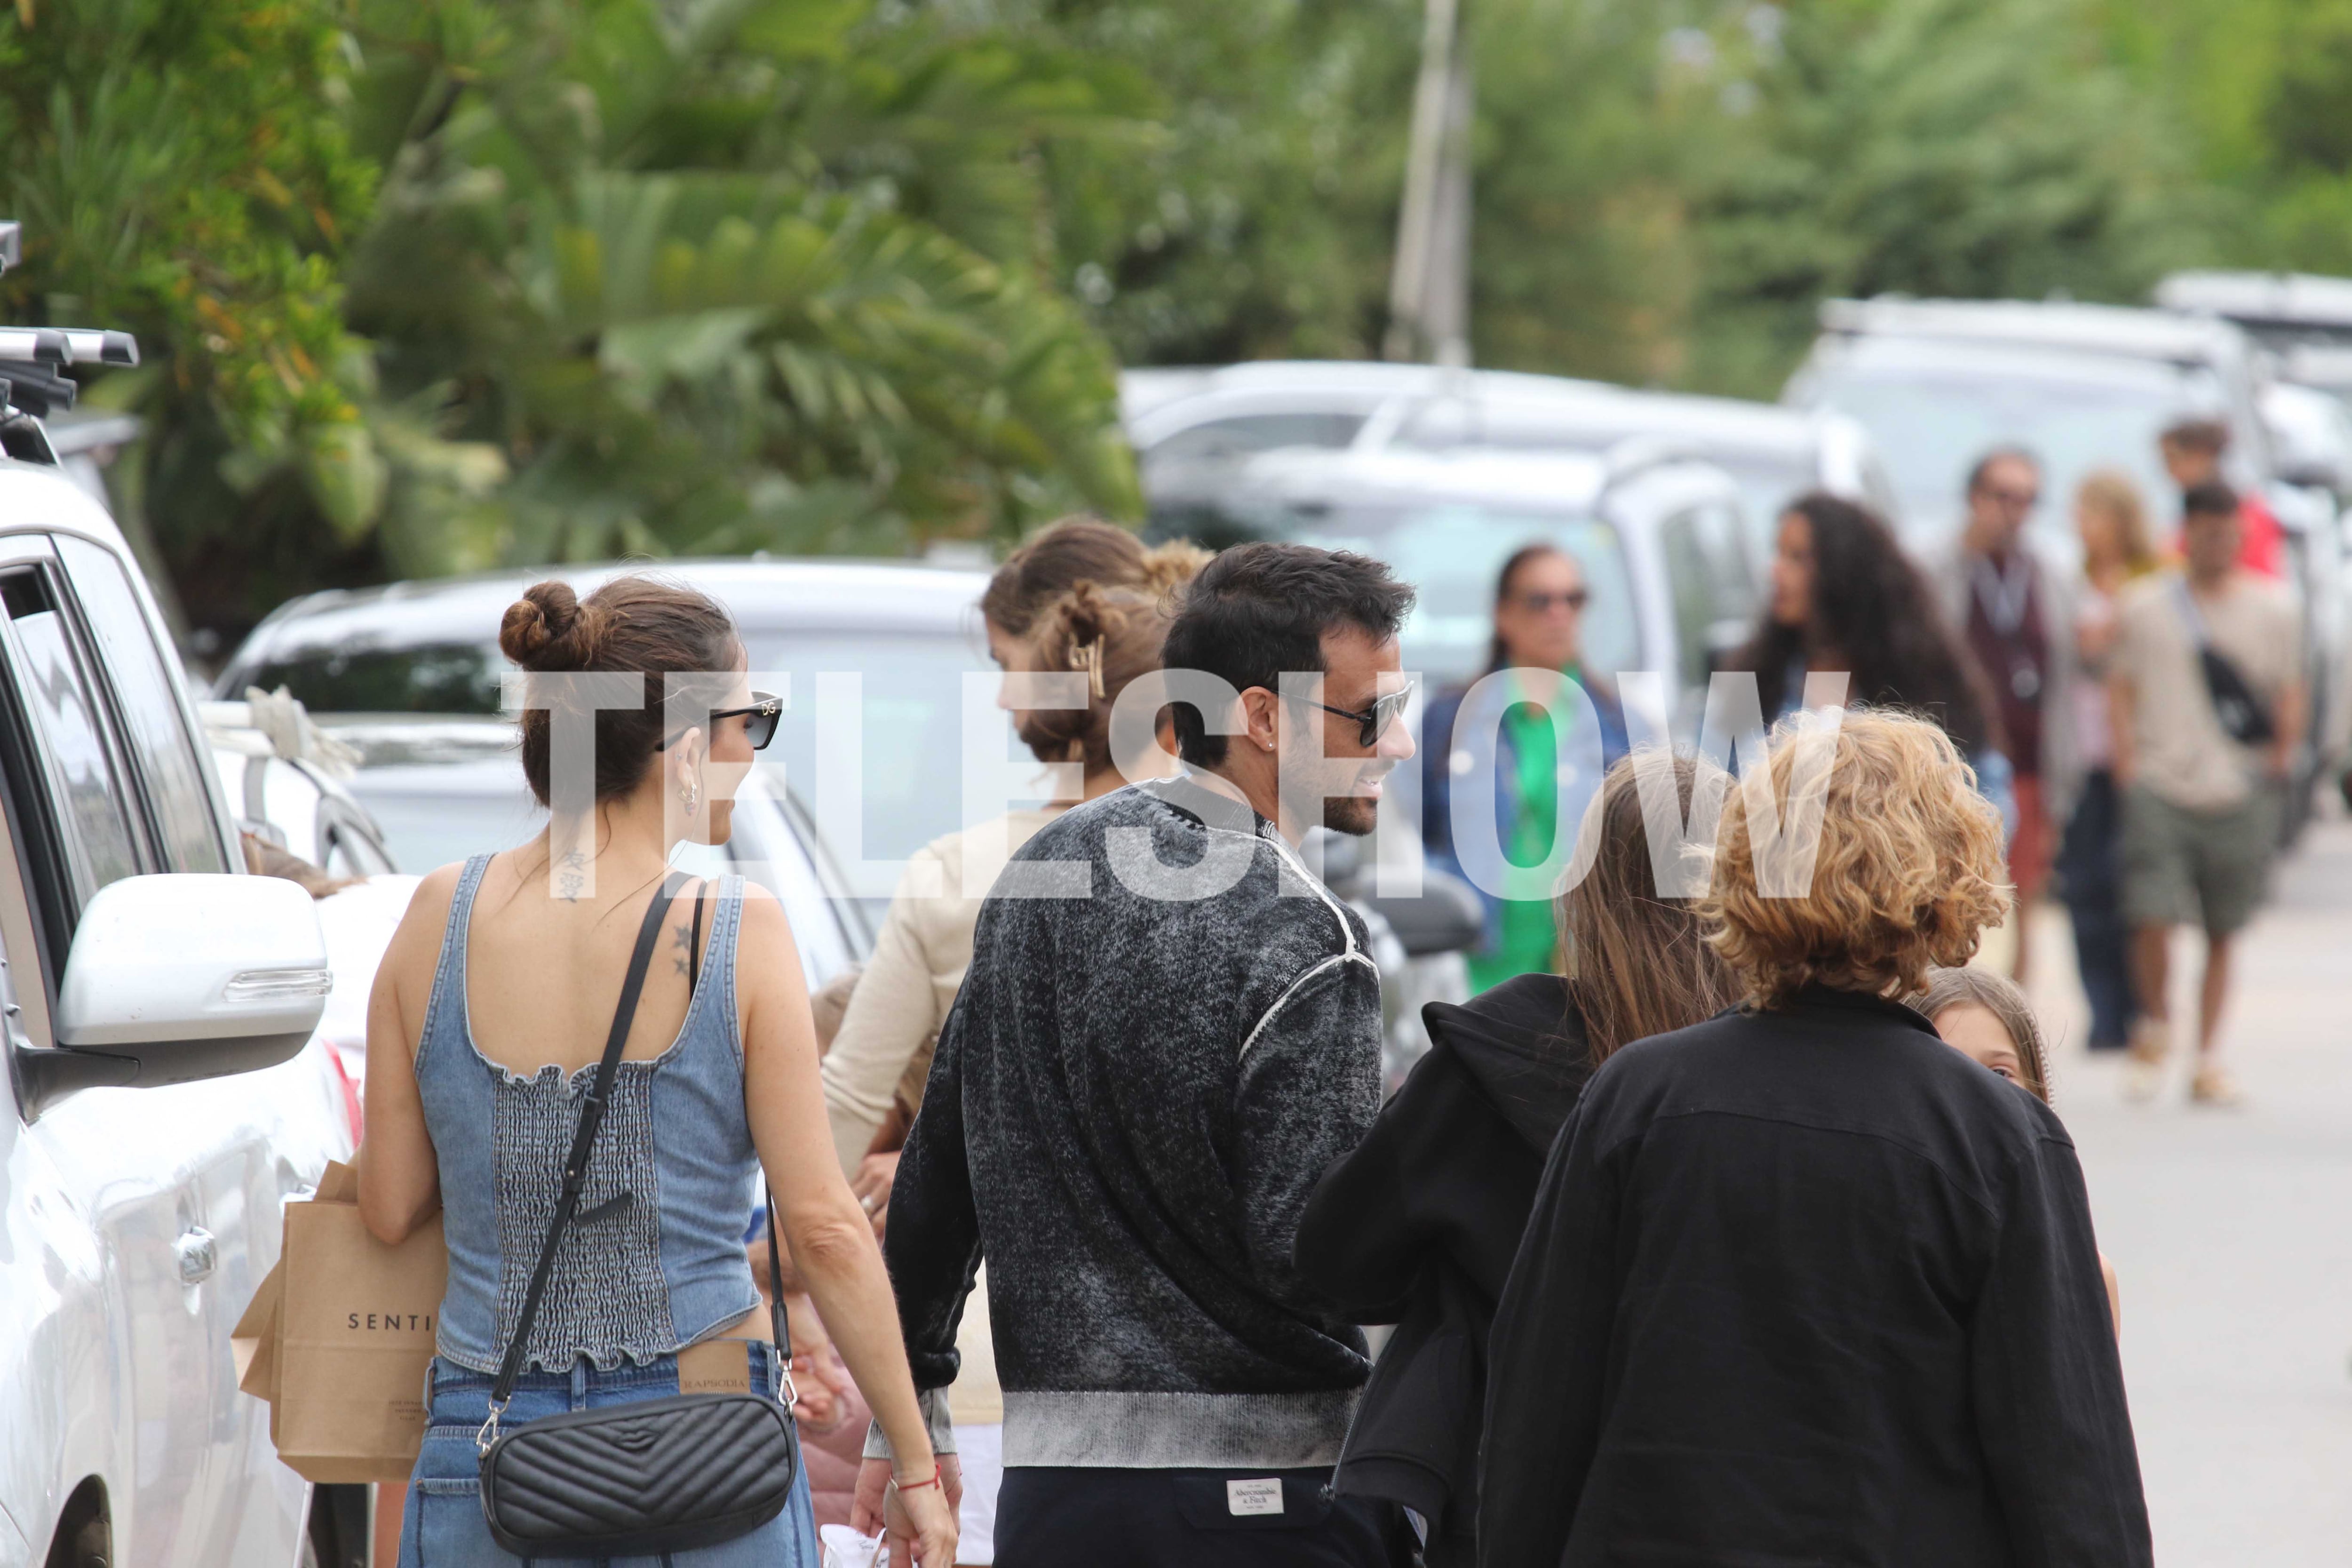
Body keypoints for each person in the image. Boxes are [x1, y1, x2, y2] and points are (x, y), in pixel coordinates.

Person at [355, 576, 956, 1567]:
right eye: (749, 721)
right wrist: (919, 1466)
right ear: (684, 744)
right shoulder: (733, 931)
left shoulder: (434, 917)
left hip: (489, 1454)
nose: (750, 756)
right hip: (704, 1450)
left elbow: (389, 1205)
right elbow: (823, 1226)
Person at [1480, 710, 2151, 1568]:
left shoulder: (1638, 1099)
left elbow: (1539, 1406)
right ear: (1948, 882)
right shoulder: (1997, 1134)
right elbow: (2069, 1467)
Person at [863, 542, 1418, 1567]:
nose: (1401, 743)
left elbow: (941, 1173)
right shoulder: (1306, 936)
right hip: (1265, 1500)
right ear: (1262, 716)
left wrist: (905, 1423)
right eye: (1371, 715)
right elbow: (1315, 1255)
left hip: (1053, 1498)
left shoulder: (1045, 871)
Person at [817, 518, 1206, 1563]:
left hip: (985, 1369)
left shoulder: (954, 875)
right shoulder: (1244, 890)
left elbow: (830, 1134)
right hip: (1199, 1389)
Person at [1292, 753, 1739, 1567]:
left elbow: (1339, 1260)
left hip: (1513, 1500)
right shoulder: (1785, 1077)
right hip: (1740, 1498)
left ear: (1586, 889)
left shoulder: (1492, 1058)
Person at [2110, 480, 2304, 1106]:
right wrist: (2127, 766)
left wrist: (2279, 760)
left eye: (2230, 534)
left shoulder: (2274, 607)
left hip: (2236, 785)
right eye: (2207, 531)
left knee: (2224, 926)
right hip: (2162, 780)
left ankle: (2209, 1056)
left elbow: (2288, 689)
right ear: (2185, 531)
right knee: (2152, 912)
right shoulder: (2144, 605)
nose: (2219, 545)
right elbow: (2120, 686)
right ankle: (2157, 1022)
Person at [1725, 491, 2011, 820]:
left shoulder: (1923, 688)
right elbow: (1711, 808)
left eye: (1797, 558)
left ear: (1844, 572)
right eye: (1778, 553)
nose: (1775, 571)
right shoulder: (1759, 684)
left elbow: (1991, 805)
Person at [1421, 544, 1630, 990]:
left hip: (1581, 966)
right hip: (1476, 966)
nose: (1559, 613)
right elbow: (1420, 832)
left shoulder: (1620, 722)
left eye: (1573, 599)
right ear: (1504, 614)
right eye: (1540, 600)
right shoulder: (1450, 716)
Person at [1908, 965, 2123, 1334]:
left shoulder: (2086, 1274)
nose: (1977, 1094)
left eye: (1999, 1074)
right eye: (1943, 1069)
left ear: (2036, 1089)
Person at [1933, 450, 2079, 982]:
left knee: (2022, 896)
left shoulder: (2049, 573)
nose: (2013, 512)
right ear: (1974, 498)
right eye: (2002, 497)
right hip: (1956, 760)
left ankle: (2012, 1013)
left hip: (2030, 759)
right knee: (1956, 893)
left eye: (2026, 500)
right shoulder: (1936, 566)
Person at [2058, 471, 2160, 1051]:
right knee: (2084, 885)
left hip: (2138, 757)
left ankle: (2141, 1006)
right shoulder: (2069, 583)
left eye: (2091, 511)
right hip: (2082, 754)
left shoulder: (2154, 583)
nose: (2081, 523)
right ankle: (2101, 1009)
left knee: (2133, 886)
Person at [2160, 416, 2283, 577]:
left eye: (2173, 459)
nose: (2169, 471)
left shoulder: (2246, 515)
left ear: (2202, 455)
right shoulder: (2191, 515)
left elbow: (2258, 581)